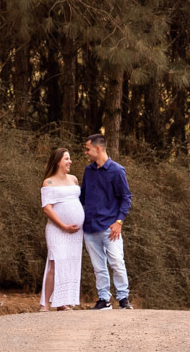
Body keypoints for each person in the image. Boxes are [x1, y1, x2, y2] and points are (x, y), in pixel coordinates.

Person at [80, 133, 133, 311]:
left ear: (98, 148)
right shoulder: (88, 171)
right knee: (98, 266)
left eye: (87, 149)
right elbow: (82, 197)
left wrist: (119, 222)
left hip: (110, 227)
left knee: (117, 262)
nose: (86, 152)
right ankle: (104, 299)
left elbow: (126, 198)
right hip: (89, 228)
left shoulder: (117, 171)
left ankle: (123, 298)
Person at [39, 147, 84, 311]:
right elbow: (47, 208)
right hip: (57, 230)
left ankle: (61, 302)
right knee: (55, 263)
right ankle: (45, 304)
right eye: (66, 159)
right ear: (58, 161)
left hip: (75, 232)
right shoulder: (48, 182)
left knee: (69, 263)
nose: (70, 161)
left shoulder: (73, 180)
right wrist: (64, 225)